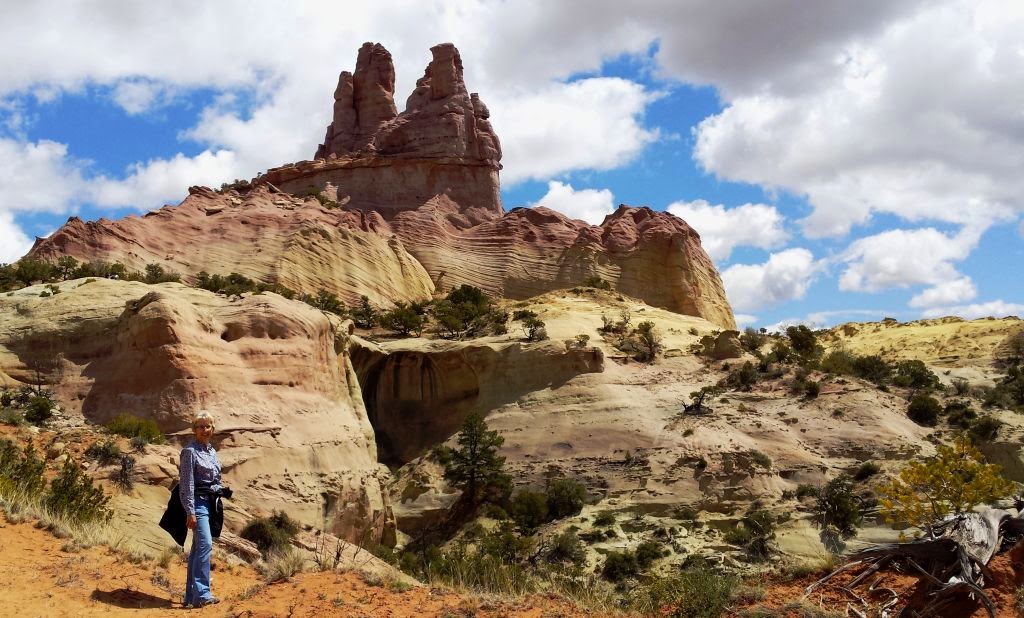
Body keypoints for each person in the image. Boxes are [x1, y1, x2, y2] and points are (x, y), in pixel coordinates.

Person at [179, 411, 222, 608]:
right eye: (200, 426)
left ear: (213, 429)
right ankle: (203, 594)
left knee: (197, 550)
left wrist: (220, 490)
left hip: (210, 502)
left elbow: (214, 479)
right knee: (205, 545)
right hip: (197, 504)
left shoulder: (211, 451)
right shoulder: (190, 451)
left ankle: (190, 597)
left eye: (207, 426)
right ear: (194, 430)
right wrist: (190, 512)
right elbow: (186, 484)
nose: (204, 430)